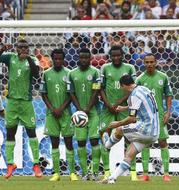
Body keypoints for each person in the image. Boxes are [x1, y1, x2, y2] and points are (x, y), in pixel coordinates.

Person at [0, 39, 42, 179]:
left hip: (26, 102)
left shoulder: (33, 60)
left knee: (31, 132)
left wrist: (29, 59)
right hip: (12, 102)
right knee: (10, 133)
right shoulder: (10, 57)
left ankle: (36, 165)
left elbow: (37, 75)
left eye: (26, 47)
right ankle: (10, 165)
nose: (24, 49)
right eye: (21, 47)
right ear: (17, 48)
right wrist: (2, 49)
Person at [100, 74, 159, 184]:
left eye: (121, 87)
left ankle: (106, 145)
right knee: (129, 154)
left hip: (145, 129)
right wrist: (125, 108)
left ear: (124, 86)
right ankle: (112, 179)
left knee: (119, 130)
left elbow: (132, 118)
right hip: (154, 133)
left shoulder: (134, 95)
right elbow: (141, 104)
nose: (122, 90)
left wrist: (118, 123)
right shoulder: (143, 89)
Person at [99, 45, 137, 181]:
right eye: (113, 55)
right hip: (108, 108)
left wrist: (119, 103)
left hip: (125, 107)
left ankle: (133, 172)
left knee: (130, 137)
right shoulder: (104, 68)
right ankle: (107, 171)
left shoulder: (129, 68)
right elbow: (100, 88)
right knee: (105, 135)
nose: (116, 58)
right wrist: (108, 104)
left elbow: (133, 89)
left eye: (118, 55)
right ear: (110, 56)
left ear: (122, 55)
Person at [40, 49, 78, 181]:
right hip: (51, 114)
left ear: (64, 59)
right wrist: (52, 109)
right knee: (54, 143)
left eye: (60, 59)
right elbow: (43, 94)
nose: (57, 61)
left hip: (66, 113)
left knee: (68, 142)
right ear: (51, 59)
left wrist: (61, 108)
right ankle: (56, 173)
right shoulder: (45, 74)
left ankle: (72, 173)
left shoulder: (69, 73)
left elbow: (71, 94)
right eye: (55, 59)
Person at [136, 54, 173, 182]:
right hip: (145, 117)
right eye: (147, 62)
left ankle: (166, 174)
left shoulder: (163, 77)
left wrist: (168, 112)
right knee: (145, 143)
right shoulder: (140, 79)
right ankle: (146, 174)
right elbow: (136, 97)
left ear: (156, 62)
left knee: (163, 142)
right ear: (144, 63)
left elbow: (168, 95)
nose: (149, 64)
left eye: (152, 62)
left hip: (160, 115)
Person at [67, 48, 101, 181]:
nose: (84, 60)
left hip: (93, 112)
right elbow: (71, 93)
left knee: (94, 140)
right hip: (79, 113)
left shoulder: (95, 72)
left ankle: (95, 171)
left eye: (86, 57)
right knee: (81, 142)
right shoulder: (72, 74)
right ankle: (85, 172)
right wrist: (80, 109)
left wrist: (87, 108)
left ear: (90, 58)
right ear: (78, 58)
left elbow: (96, 92)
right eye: (81, 57)